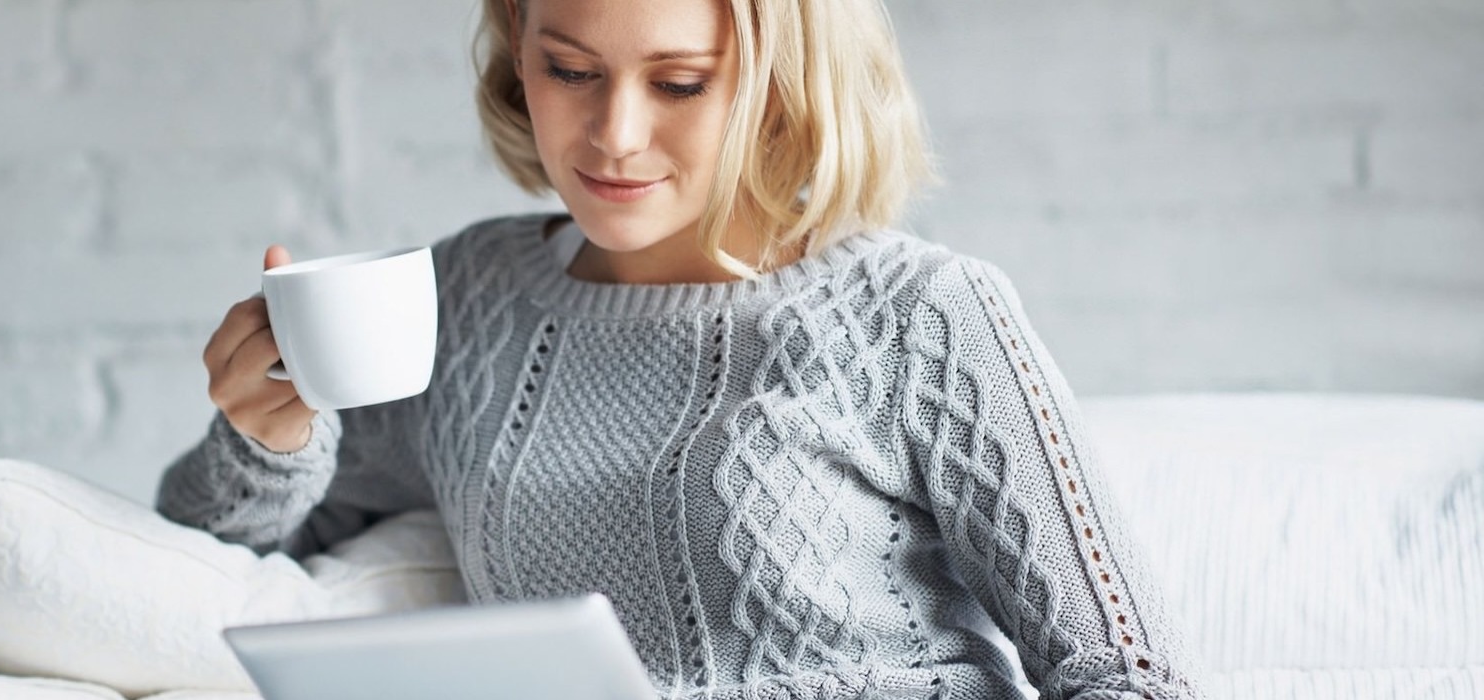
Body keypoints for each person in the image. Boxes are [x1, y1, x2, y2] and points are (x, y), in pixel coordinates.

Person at [159, 0, 1199, 697]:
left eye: (681, 83)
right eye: (571, 69)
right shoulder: (466, 302)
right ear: (520, 51)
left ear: (782, 81)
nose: (613, 134)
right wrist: (266, 436)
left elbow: (1131, 674)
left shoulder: (921, 314)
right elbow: (211, 562)